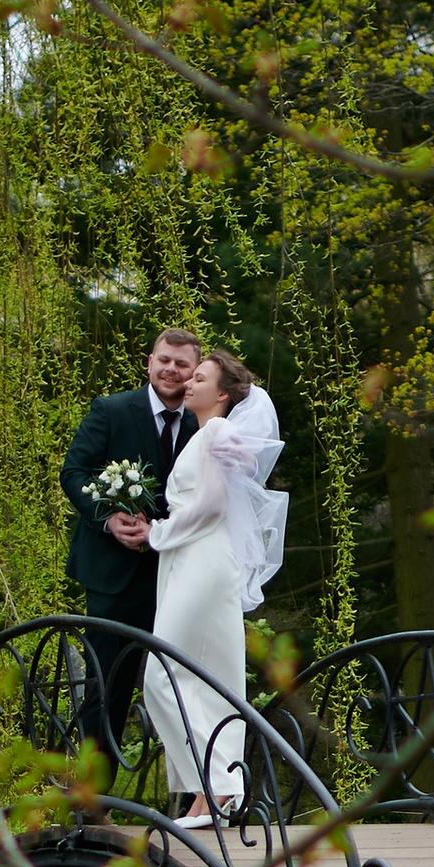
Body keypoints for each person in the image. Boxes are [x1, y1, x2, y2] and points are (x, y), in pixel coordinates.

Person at [143, 348, 288, 821]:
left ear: (223, 394)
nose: (188, 383)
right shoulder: (204, 434)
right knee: (205, 676)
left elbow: (211, 506)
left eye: (200, 378)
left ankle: (224, 785)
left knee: (161, 674)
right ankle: (208, 792)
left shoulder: (217, 432)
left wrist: (157, 533)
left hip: (203, 558)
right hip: (189, 559)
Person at [60, 326, 201, 764]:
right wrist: (108, 519)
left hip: (175, 573)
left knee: (178, 685)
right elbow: (74, 472)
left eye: (182, 364)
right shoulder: (112, 410)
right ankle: (92, 789)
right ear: (149, 362)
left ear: (195, 373)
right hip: (113, 574)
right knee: (106, 685)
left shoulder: (204, 423)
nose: (171, 369)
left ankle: (192, 790)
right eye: (164, 360)